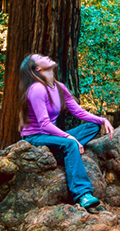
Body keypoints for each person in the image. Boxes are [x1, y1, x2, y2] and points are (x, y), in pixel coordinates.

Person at [18, 54, 114, 210]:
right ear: (38, 68)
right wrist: (69, 137)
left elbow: (79, 112)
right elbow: (44, 124)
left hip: (51, 136)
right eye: (41, 57)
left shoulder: (59, 87)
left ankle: (64, 151)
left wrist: (102, 120)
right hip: (34, 137)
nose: (46, 56)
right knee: (70, 143)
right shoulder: (36, 89)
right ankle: (83, 194)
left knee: (92, 126)